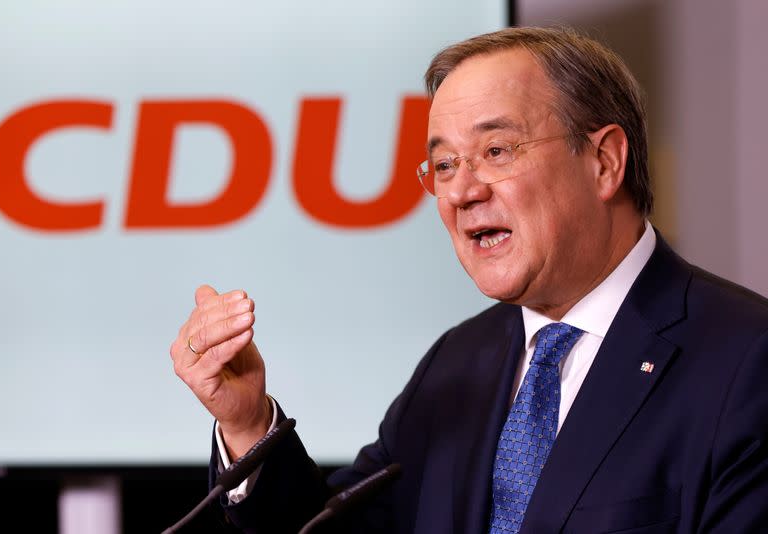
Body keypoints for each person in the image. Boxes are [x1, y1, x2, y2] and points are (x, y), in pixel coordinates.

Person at [170, 26, 768, 533]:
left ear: (604, 161)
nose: (461, 191)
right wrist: (248, 424)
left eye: (497, 150)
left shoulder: (746, 361)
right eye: (446, 165)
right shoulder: (457, 363)